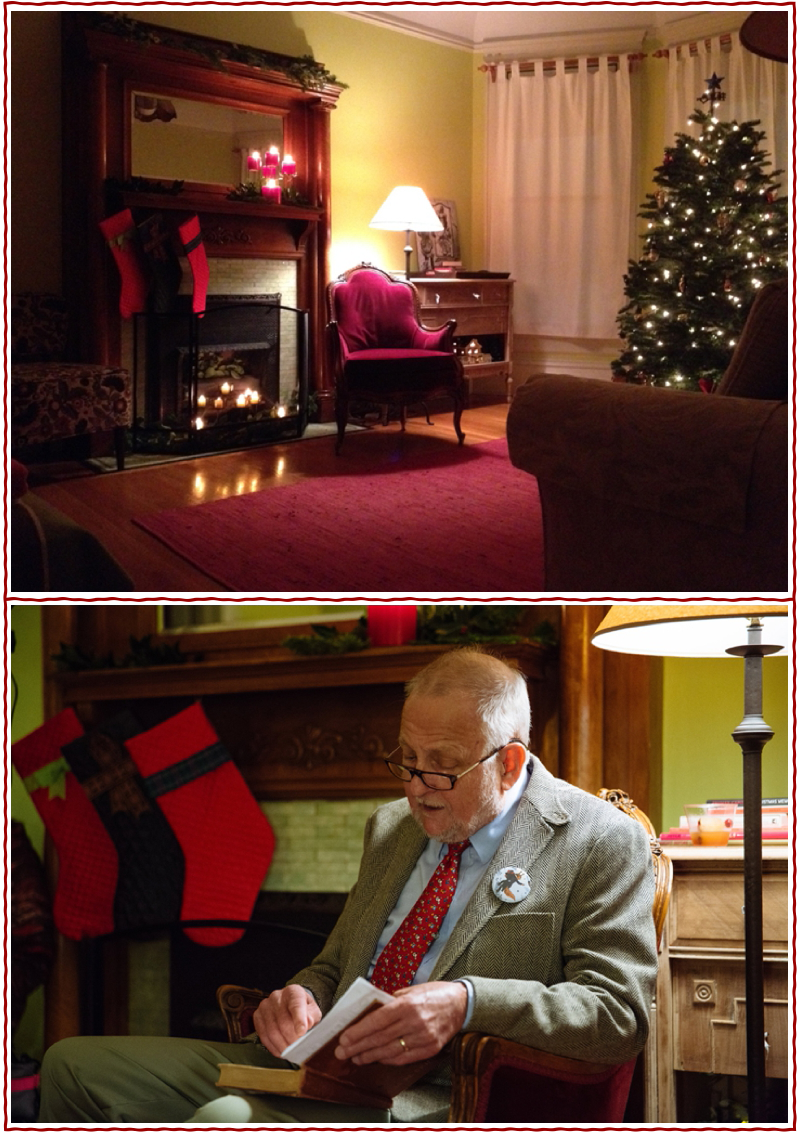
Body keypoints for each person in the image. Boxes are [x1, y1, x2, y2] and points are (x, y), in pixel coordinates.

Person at [39, 646, 658, 1125]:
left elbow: (619, 1015)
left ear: (510, 762)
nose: (415, 786)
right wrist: (296, 996)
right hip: (313, 1068)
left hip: (432, 1096)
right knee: (71, 1066)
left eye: (441, 768)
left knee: (223, 1119)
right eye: (406, 758)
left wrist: (466, 1001)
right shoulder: (391, 826)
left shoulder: (598, 840)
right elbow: (334, 966)